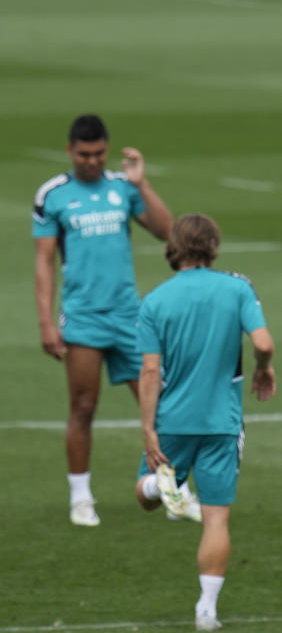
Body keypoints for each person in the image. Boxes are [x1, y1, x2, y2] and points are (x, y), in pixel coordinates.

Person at [133, 214, 276, 630]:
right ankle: (206, 610)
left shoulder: (155, 301)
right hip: (222, 423)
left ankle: (158, 484)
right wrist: (263, 368)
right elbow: (264, 342)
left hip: (173, 420)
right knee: (216, 518)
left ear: (173, 247)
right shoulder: (237, 288)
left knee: (145, 497)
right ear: (213, 245)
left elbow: (148, 372)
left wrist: (147, 429)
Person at [33, 113, 174, 526]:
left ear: (107, 150)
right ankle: (81, 497)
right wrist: (46, 321)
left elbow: (166, 231)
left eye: (98, 154)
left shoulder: (121, 188)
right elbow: (44, 261)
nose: (92, 162)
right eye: (84, 155)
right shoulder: (53, 195)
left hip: (129, 315)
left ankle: (172, 488)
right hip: (82, 318)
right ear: (69, 151)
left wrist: (141, 183)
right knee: (83, 405)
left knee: (156, 405)